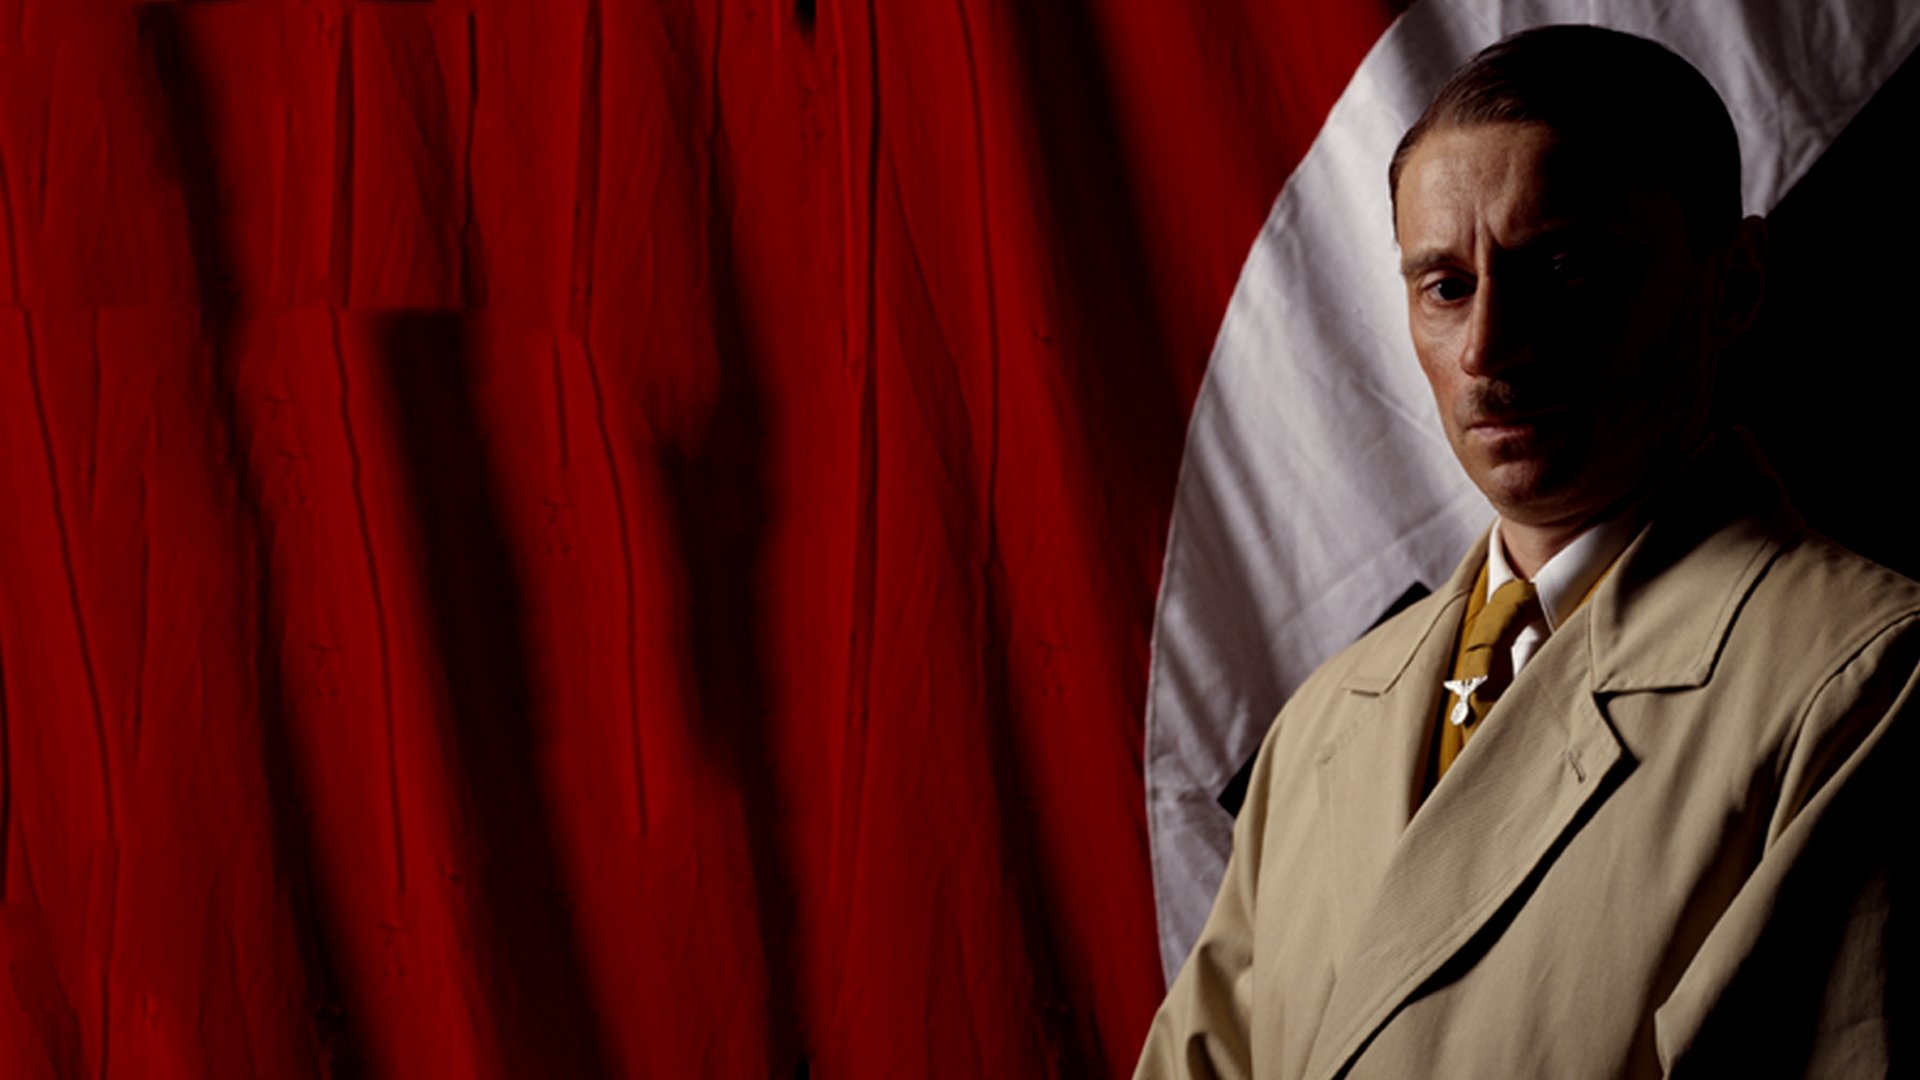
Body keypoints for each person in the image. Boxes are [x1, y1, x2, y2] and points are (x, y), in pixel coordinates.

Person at [1134, 25, 1914, 1079]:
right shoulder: (1322, 721)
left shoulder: (1866, 681)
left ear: (1732, 284)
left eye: (1561, 267)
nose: (1487, 348)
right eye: (1446, 286)